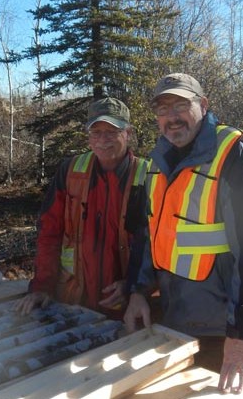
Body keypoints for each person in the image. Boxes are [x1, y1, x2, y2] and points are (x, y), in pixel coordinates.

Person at [124, 73, 243, 394]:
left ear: (203, 105)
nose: (171, 117)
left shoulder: (233, 152)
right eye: (163, 110)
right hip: (171, 316)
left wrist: (242, 336)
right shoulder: (158, 157)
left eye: (181, 105)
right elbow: (148, 229)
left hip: (220, 330)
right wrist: (138, 290)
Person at [15, 97, 148, 319]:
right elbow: (50, 232)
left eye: (112, 131)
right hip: (72, 302)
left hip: (127, 309)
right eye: (96, 132)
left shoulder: (148, 176)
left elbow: (158, 248)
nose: (103, 140)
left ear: (128, 133)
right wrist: (42, 286)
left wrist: (135, 287)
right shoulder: (71, 171)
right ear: (88, 136)